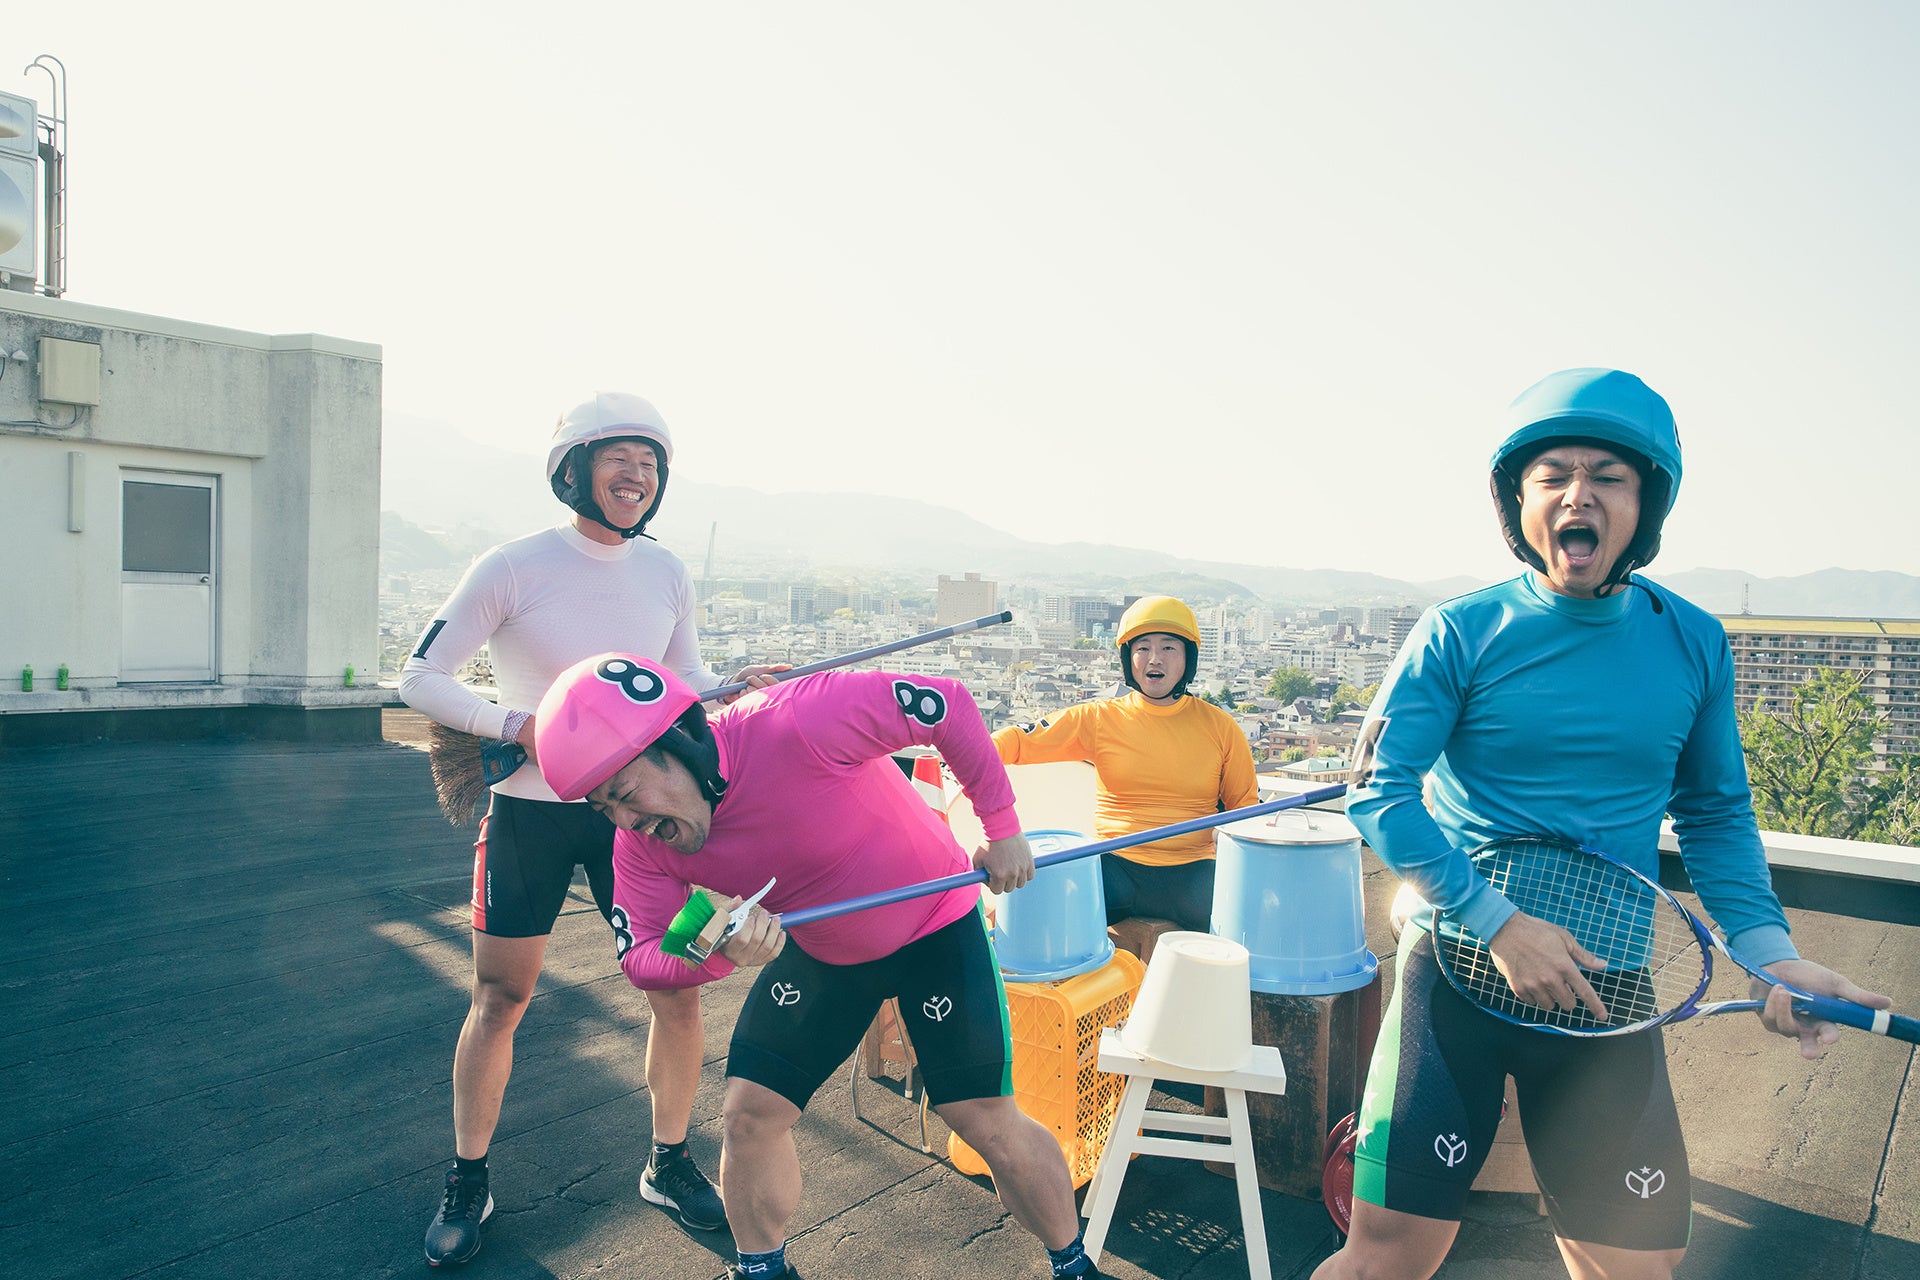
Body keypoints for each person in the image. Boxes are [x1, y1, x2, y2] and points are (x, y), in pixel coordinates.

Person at [1313, 368, 1891, 1280]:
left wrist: (1770, 954)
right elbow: (1376, 791)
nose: (1577, 494)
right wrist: (1499, 923)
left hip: (1609, 988)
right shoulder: (1460, 629)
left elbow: (1714, 813)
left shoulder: (1693, 640)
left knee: (1634, 1268)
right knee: (1385, 1259)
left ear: (1644, 504)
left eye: (1607, 477)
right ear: (1518, 502)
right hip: (1456, 971)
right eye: (1552, 475)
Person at [533, 654, 1110, 1280]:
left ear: (680, 743)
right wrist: (712, 950)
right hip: (823, 949)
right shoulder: (643, 846)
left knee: (984, 1121)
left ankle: (1074, 1265)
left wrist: (1001, 828)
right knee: (749, 1115)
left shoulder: (791, 720)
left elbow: (943, 703)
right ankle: (761, 1271)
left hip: (935, 926)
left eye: (624, 795)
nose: (625, 821)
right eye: (603, 808)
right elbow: (643, 956)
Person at [401, 392, 775, 1266]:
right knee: (500, 1000)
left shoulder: (667, 573)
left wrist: (733, 687)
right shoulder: (512, 565)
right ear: (573, 471)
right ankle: (467, 1178)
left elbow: (682, 681)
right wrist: (518, 726)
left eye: (651, 465)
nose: (637, 476)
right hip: (527, 817)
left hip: (641, 824)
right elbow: (420, 676)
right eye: (619, 459)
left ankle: (668, 1164)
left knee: (677, 990)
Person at [992, 594, 1258, 932]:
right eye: (1143, 648)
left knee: (1247, 924)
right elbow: (1021, 741)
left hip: (1194, 872)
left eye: (1168, 647)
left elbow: (1245, 807)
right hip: (1115, 864)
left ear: (1187, 658)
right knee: (1037, 904)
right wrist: (970, 751)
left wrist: (1229, 831)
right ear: (1128, 658)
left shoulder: (1221, 727)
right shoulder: (1101, 718)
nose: (1154, 658)